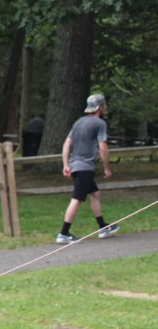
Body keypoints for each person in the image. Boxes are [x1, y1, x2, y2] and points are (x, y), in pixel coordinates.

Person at [56, 94, 119, 243]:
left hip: (76, 165)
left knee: (95, 194)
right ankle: (64, 233)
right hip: (84, 167)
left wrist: (66, 165)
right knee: (77, 199)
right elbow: (103, 147)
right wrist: (107, 167)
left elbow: (66, 144)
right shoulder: (100, 123)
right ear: (100, 108)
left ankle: (103, 227)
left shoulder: (79, 122)